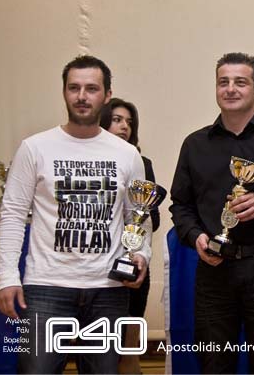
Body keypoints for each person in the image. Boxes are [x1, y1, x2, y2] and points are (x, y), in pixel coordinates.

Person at [0, 55, 150, 374]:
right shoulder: (35, 148)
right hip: (45, 287)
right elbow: (12, 214)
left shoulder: (127, 155)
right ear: (64, 92)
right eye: (74, 88)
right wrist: (6, 277)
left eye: (91, 88)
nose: (82, 96)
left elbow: (137, 216)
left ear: (106, 95)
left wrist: (141, 254)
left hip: (108, 289)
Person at [169, 52, 254, 373]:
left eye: (240, 82)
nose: (230, 89)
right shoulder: (195, 144)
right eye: (223, 82)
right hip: (212, 273)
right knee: (214, 363)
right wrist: (196, 237)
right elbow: (181, 206)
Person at [100, 97, 160, 374]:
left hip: (132, 259)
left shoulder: (142, 163)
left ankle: (131, 365)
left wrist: (136, 223)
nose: (124, 126)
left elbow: (152, 219)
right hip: (96, 260)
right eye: (117, 120)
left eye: (129, 122)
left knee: (130, 332)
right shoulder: (88, 160)